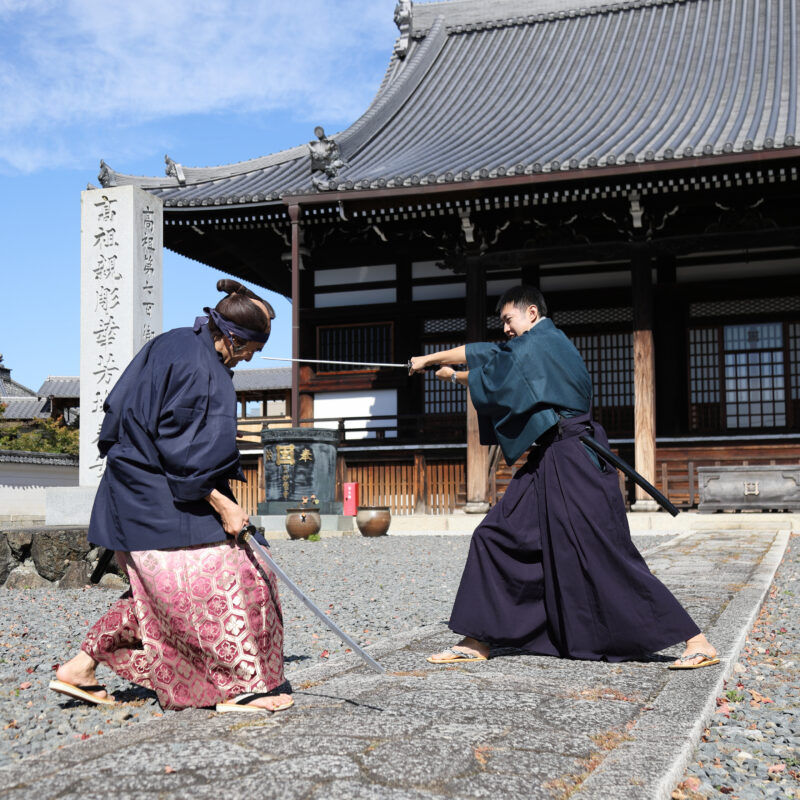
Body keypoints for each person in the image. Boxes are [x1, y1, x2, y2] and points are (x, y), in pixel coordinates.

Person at [409, 285, 718, 670]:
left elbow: (493, 358)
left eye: (508, 319)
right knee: (497, 534)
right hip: (548, 458)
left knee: (601, 550)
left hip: (574, 458)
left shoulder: (544, 341)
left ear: (532, 314)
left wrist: (429, 357)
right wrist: (455, 376)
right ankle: (478, 639)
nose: (505, 328)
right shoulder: (534, 350)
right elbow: (504, 376)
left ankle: (696, 640)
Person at [49, 279, 294, 712]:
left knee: (158, 592)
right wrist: (223, 502)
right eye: (252, 348)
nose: (253, 356)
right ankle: (236, 686)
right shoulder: (204, 371)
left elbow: (122, 409)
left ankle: (79, 668)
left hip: (135, 486)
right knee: (232, 574)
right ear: (233, 338)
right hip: (160, 491)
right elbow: (186, 453)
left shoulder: (176, 342)